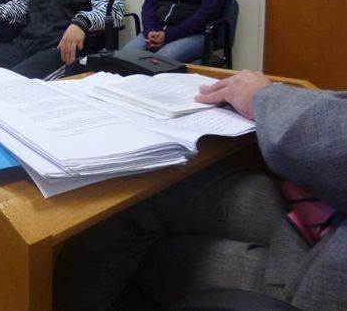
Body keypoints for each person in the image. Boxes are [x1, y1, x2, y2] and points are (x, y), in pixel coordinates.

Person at [54, 70, 347, 311]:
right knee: (148, 195)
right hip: (326, 215)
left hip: (322, 278)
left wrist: (266, 97)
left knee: (139, 248)